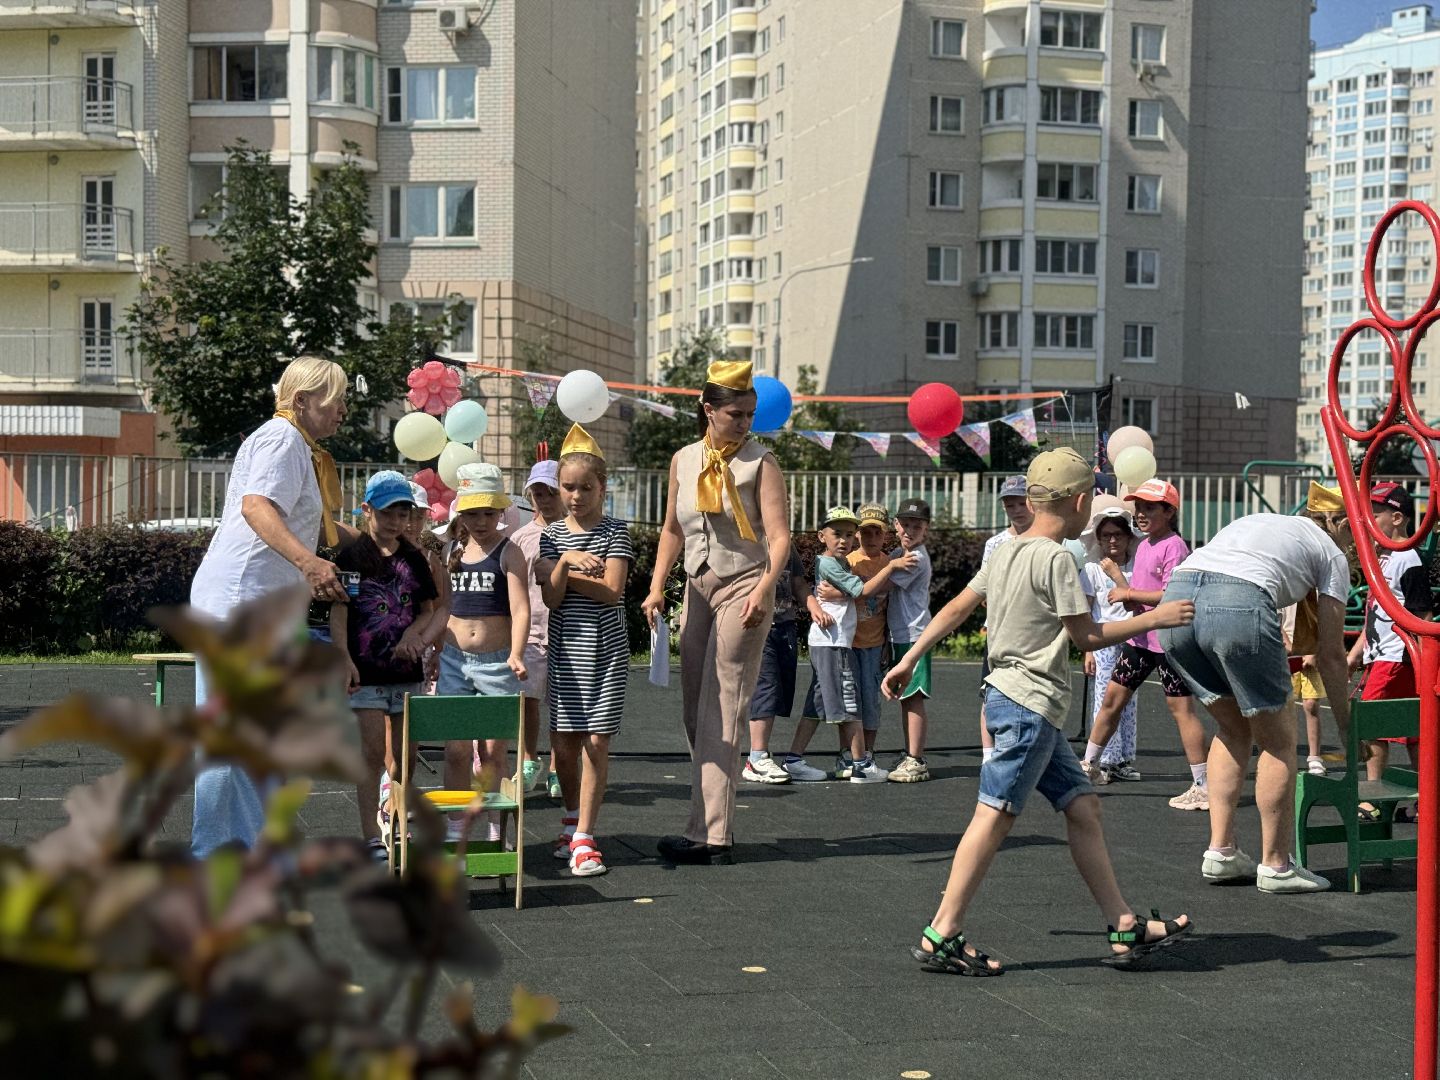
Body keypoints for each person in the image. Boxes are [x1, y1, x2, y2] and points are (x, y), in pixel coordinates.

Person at [882, 448, 1194, 972]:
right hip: (1030, 706)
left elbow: (958, 606)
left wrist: (910, 657)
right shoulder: (1057, 559)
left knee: (1082, 807)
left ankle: (1123, 924)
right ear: (1076, 503)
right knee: (994, 815)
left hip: (1017, 701)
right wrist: (1156, 617)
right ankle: (943, 930)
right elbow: (1088, 634)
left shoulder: (1005, 550)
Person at [189, 355, 355, 858]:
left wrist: (390, 541)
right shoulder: (284, 438)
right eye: (337, 398)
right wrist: (309, 564)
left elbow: (311, 525)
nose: (344, 409)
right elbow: (256, 506)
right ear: (302, 401)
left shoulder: (291, 443)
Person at [1158, 482, 1356, 893]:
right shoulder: (1331, 552)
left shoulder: (1260, 521)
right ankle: (1277, 864)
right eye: (1353, 531)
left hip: (1177, 601)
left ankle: (1221, 851)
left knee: (1232, 729)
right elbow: (1332, 654)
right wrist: (1350, 730)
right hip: (1237, 603)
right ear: (1336, 522)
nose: (1353, 544)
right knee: (1279, 740)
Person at [642, 360, 790, 866]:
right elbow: (672, 531)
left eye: (749, 414)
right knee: (693, 707)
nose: (745, 423)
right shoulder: (683, 460)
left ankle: (712, 835)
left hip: (746, 586)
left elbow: (780, 537)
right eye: (735, 414)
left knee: (722, 706)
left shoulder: (760, 463)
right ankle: (705, 821)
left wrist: (766, 588)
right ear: (707, 409)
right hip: (698, 587)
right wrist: (658, 584)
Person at [537, 424, 633, 877]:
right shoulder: (553, 535)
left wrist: (556, 570)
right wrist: (564, 560)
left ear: (603, 487)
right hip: (564, 651)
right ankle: (572, 822)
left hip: (606, 650)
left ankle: (585, 837)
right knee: (564, 743)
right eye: (568, 487)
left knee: (596, 742)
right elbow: (551, 599)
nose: (576, 496)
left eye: (585, 487)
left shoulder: (617, 530)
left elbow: (612, 590)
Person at [1082, 479, 1210, 811]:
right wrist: (1125, 591)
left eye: (1149, 507)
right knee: (1111, 700)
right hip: (1140, 638)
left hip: (1169, 640)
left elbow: (1172, 596)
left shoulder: (1175, 546)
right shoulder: (1144, 546)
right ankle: (1089, 767)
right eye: (1138, 507)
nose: (1140, 514)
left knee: (1181, 710)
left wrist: (1127, 593)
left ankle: (1204, 785)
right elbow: (1139, 597)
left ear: (1170, 512)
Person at [331, 471, 439, 861]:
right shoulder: (352, 558)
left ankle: (393, 818)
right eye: (387, 513)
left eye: (403, 514)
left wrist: (415, 634)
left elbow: (428, 610)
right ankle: (369, 837)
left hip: (406, 674)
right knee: (371, 753)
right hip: (367, 675)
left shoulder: (413, 558)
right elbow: (340, 613)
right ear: (366, 511)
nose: (396, 522)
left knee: (405, 759)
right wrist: (343, 658)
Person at [438, 462, 530, 841]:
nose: (480, 521)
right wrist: (432, 652)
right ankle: (455, 828)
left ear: (500, 512)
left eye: (488, 513)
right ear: (461, 512)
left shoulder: (510, 552)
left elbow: (521, 608)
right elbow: (442, 607)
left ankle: (496, 827)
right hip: (454, 660)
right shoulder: (449, 553)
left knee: (494, 753)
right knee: (456, 751)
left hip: (497, 662)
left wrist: (517, 652)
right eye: (472, 513)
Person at [792, 506, 917, 784]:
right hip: (835, 643)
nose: (844, 540)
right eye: (838, 534)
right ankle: (860, 764)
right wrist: (893, 567)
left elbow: (853, 591)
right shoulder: (833, 563)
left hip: (838, 641)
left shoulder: (840, 564)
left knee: (817, 705)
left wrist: (839, 593)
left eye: (849, 534)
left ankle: (794, 759)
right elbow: (861, 590)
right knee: (850, 704)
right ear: (822, 536)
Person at [1348, 481, 1432, 821]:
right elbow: (1374, 613)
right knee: (1412, 731)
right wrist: (1357, 652)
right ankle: (1424, 803)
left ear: (1397, 518)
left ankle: (1373, 798)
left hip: (1397, 655)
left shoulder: (1406, 558)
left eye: (1376, 512)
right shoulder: (1383, 558)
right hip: (1384, 654)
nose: (1369, 519)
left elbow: (1422, 612)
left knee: (1373, 725)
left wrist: (1420, 658)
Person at [508, 459, 566, 796]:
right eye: (538, 493)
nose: (544, 500)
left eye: (550, 493)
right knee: (526, 701)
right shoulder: (521, 538)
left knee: (561, 705)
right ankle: (529, 759)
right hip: (530, 632)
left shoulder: (575, 532)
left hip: (564, 630)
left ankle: (560, 766)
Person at [742, 541, 822, 784]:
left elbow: (797, 582)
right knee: (766, 687)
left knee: (780, 691)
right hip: (758, 627)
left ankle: (774, 758)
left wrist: (813, 606)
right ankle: (756, 758)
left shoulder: (786, 546)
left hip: (784, 626)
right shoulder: (747, 541)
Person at [1080, 502, 1143, 781]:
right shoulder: (1092, 569)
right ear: (1099, 539)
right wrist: (1088, 650)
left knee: (1128, 700)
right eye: (1107, 535)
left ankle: (1122, 758)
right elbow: (1086, 610)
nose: (1113, 540)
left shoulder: (1135, 566)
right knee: (1105, 699)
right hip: (1105, 639)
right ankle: (1103, 759)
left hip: (1133, 639)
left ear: (1128, 536)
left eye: (1118, 534)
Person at [978, 476, 1034, 764]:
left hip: (1032, 634)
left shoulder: (1042, 540)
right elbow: (984, 589)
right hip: (999, 632)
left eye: (1021, 502)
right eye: (1009, 504)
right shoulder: (995, 543)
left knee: (1028, 693)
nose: (1016, 509)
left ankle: (1023, 747)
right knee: (989, 691)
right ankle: (989, 754)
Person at [887, 499, 936, 781]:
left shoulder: (914, 558)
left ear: (925, 529)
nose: (909, 530)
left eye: (916, 526)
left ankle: (916, 759)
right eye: (905, 524)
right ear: (896, 525)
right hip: (899, 634)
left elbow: (882, 585)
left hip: (914, 636)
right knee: (906, 698)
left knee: (913, 697)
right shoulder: (898, 553)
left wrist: (851, 587)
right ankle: (911, 754)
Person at [850, 503, 894, 761]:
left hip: (875, 643)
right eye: (866, 532)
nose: (872, 538)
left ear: (886, 533)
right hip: (850, 642)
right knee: (850, 698)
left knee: (871, 699)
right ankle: (850, 751)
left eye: (877, 532)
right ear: (857, 533)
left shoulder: (889, 563)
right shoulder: (849, 561)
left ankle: (869, 751)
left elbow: (891, 608)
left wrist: (887, 642)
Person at [1281, 597, 1328, 777]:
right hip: (1286, 655)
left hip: (1310, 653)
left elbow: (1323, 621)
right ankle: (1285, 755)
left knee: (1311, 705)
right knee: (1284, 707)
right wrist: (1291, 648)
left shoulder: (1313, 590)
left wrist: (1313, 651)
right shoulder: (1282, 587)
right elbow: (1275, 622)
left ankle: (1314, 757)